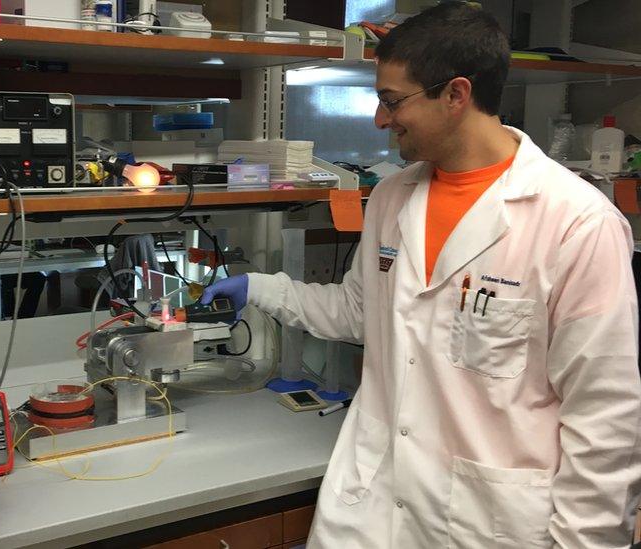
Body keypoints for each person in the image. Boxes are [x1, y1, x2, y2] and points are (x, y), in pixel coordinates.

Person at [203, 4, 641, 547]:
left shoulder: (576, 223)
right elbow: (362, 312)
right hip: (370, 507)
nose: (380, 120)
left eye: (391, 101)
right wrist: (262, 288)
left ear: (456, 95)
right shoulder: (391, 196)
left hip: (487, 523)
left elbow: (604, 419)